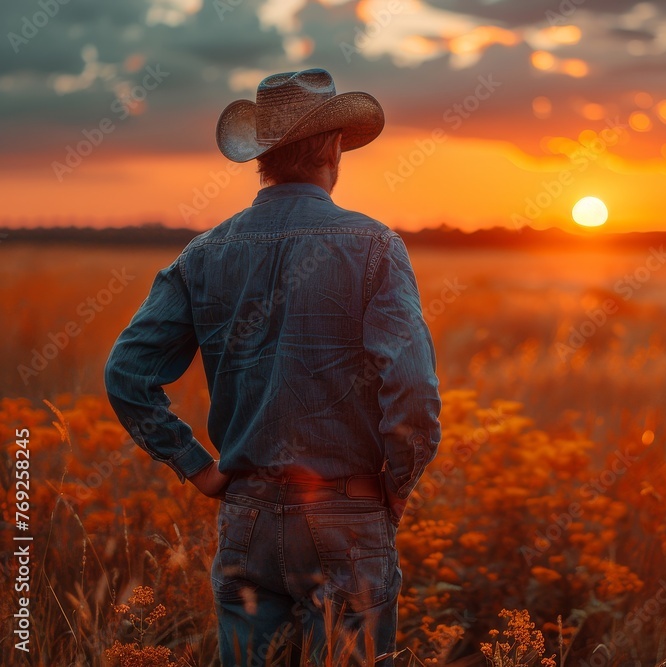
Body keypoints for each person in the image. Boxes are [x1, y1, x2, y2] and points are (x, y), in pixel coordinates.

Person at [104, 68, 441, 666]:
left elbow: (127, 373)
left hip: (246, 518)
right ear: (336, 144)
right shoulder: (375, 247)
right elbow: (412, 389)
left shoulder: (205, 252)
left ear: (261, 156)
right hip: (348, 514)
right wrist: (397, 484)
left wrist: (197, 468)